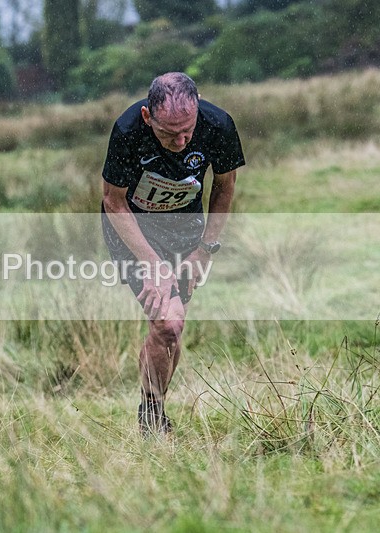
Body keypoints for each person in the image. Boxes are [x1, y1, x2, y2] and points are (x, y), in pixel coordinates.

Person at [101, 72, 245, 435]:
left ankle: (153, 411)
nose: (180, 141)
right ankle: (152, 417)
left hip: (185, 230)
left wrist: (205, 251)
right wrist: (153, 264)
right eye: (168, 134)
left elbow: (225, 187)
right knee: (165, 322)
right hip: (132, 228)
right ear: (149, 117)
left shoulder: (218, 125)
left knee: (171, 328)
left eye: (187, 131)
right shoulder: (128, 129)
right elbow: (113, 202)